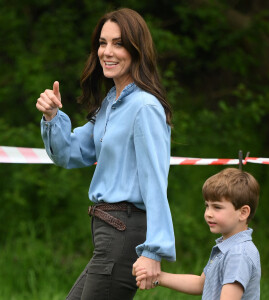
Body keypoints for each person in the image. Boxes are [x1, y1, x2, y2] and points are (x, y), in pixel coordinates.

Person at [36, 8, 176, 300]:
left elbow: (155, 182)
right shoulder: (110, 104)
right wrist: (52, 117)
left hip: (126, 234)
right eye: (102, 42)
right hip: (108, 233)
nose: (107, 52)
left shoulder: (145, 108)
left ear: (137, 50)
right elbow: (70, 153)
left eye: (119, 43)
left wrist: (154, 250)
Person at [135, 168, 261, 300]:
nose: (208, 213)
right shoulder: (228, 247)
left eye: (217, 207)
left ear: (243, 212)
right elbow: (200, 284)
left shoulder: (238, 253)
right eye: (207, 206)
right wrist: (156, 277)